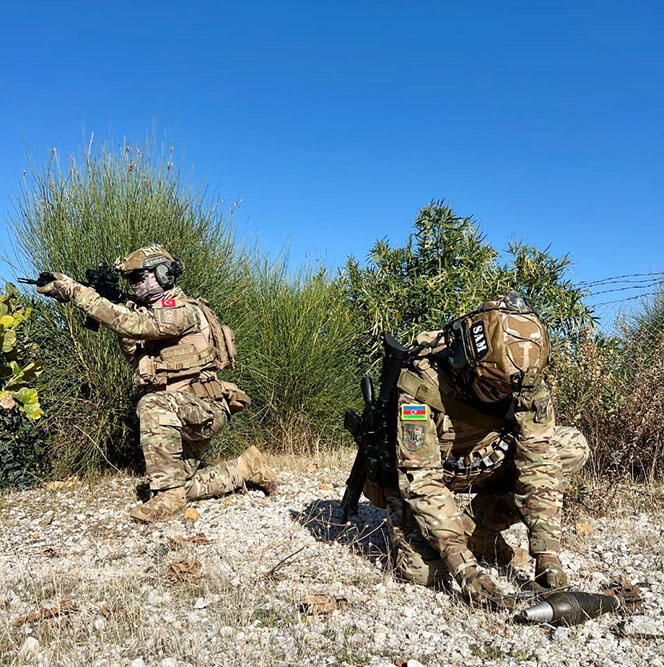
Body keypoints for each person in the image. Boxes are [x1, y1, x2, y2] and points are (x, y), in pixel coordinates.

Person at [37, 244, 277, 522]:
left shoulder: (182, 310)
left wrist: (75, 291)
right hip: (182, 413)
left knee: (151, 403)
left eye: (139, 277)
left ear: (162, 275)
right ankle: (246, 469)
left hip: (203, 409)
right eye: (130, 279)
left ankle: (170, 498)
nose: (133, 284)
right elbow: (138, 358)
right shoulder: (152, 315)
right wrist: (124, 333)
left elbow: (132, 324)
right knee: (174, 483)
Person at [382, 293, 589, 604]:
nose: (507, 395)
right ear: (468, 362)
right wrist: (464, 568)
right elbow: (422, 479)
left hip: (485, 462)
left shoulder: (527, 383)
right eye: (494, 388)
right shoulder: (422, 384)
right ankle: (458, 532)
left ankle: (482, 528)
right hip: (430, 474)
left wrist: (548, 556)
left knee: (569, 447)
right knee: (424, 573)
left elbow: (539, 465)